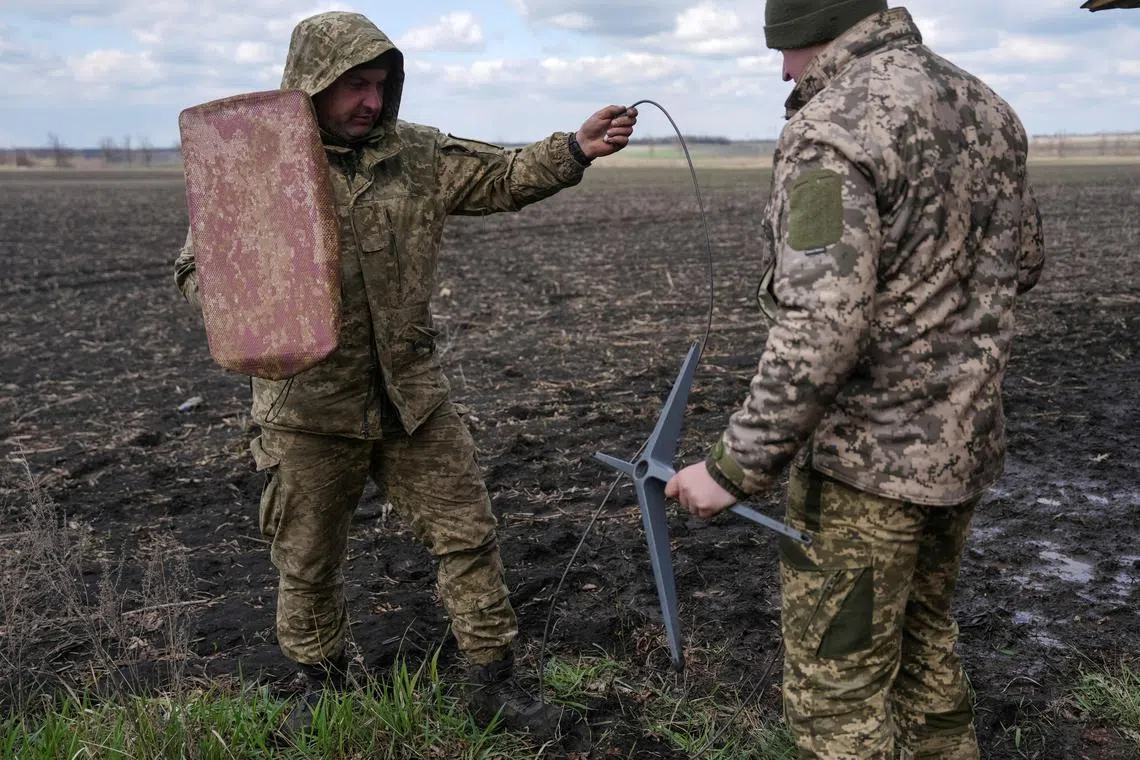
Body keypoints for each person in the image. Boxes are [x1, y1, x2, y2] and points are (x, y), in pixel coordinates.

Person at [174, 10, 637, 744]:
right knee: (307, 558)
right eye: (354, 84)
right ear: (311, 83)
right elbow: (201, 269)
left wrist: (574, 149)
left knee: (468, 535)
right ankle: (320, 687)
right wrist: (255, 306)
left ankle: (492, 684)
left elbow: (502, 176)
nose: (370, 100)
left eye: (381, 85)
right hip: (308, 407)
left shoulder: (416, 154)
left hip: (411, 398)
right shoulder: (257, 164)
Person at [665, 2, 1044, 758]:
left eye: (789, 48)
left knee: (837, 696)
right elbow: (1024, 263)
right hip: (962, 454)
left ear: (819, 28)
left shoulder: (832, 126)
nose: (784, 69)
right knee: (927, 655)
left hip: (863, 472)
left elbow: (822, 324)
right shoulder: (987, 106)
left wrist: (733, 468)